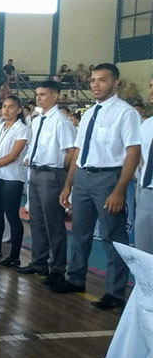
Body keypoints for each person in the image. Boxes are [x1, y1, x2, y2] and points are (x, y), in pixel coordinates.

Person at [52, 63, 142, 310]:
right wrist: (68, 185)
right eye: (92, 80)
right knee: (80, 232)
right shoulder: (90, 113)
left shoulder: (126, 113)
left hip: (108, 178)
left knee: (113, 236)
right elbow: (79, 152)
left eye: (102, 80)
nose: (95, 84)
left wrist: (119, 189)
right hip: (83, 176)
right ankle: (75, 278)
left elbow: (133, 152)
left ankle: (115, 291)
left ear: (116, 83)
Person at [14, 81, 76, 281]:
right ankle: (39, 262)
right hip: (36, 172)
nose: (38, 97)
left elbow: (70, 152)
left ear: (55, 96)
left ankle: (57, 269)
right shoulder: (38, 119)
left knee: (54, 223)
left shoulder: (61, 120)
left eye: (43, 94)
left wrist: (61, 174)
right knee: (37, 221)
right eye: (37, 94)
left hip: (52, 174)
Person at [0, 96, 30, 267]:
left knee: (12, 216)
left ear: (18, 110)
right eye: (4, 106)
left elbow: (12, 156)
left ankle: (14, 256)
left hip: (12, 178)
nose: (6, 110)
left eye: (11, 107)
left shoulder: (22, 129)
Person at [137, 96, 153, 254]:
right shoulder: (147, 125)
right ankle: (143, 280)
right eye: (150, 86)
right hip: (147, 189)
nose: (151, 91)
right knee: (144, 248)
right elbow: (140, 154)